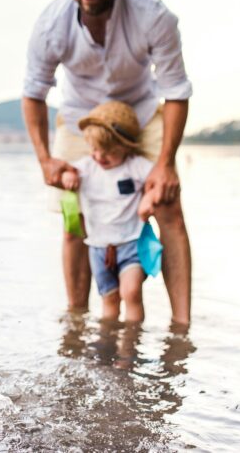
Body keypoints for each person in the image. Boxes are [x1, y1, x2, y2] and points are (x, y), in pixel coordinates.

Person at [22, 0, 192, 325]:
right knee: (73, 218)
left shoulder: (154, 15)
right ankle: (77, 323)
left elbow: (175, 92)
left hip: (139, 115)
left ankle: (182, 328)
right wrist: (45, 160)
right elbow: (33, 93)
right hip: (79, 119)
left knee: (168, 205)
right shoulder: (50, 25)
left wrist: (166, 164)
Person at [57, 101, 158, 322]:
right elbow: (65, 173)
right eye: (94, 149)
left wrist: (148, 199)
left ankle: (130, 346)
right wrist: (68, 177)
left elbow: (156, 181)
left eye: (109, 152)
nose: (100, 156)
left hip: (131, 243)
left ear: (126, 146)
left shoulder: (136, 166)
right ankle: (110, 346)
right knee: (109, 300)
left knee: (131, 292)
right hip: (98, 248)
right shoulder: (86, 167)